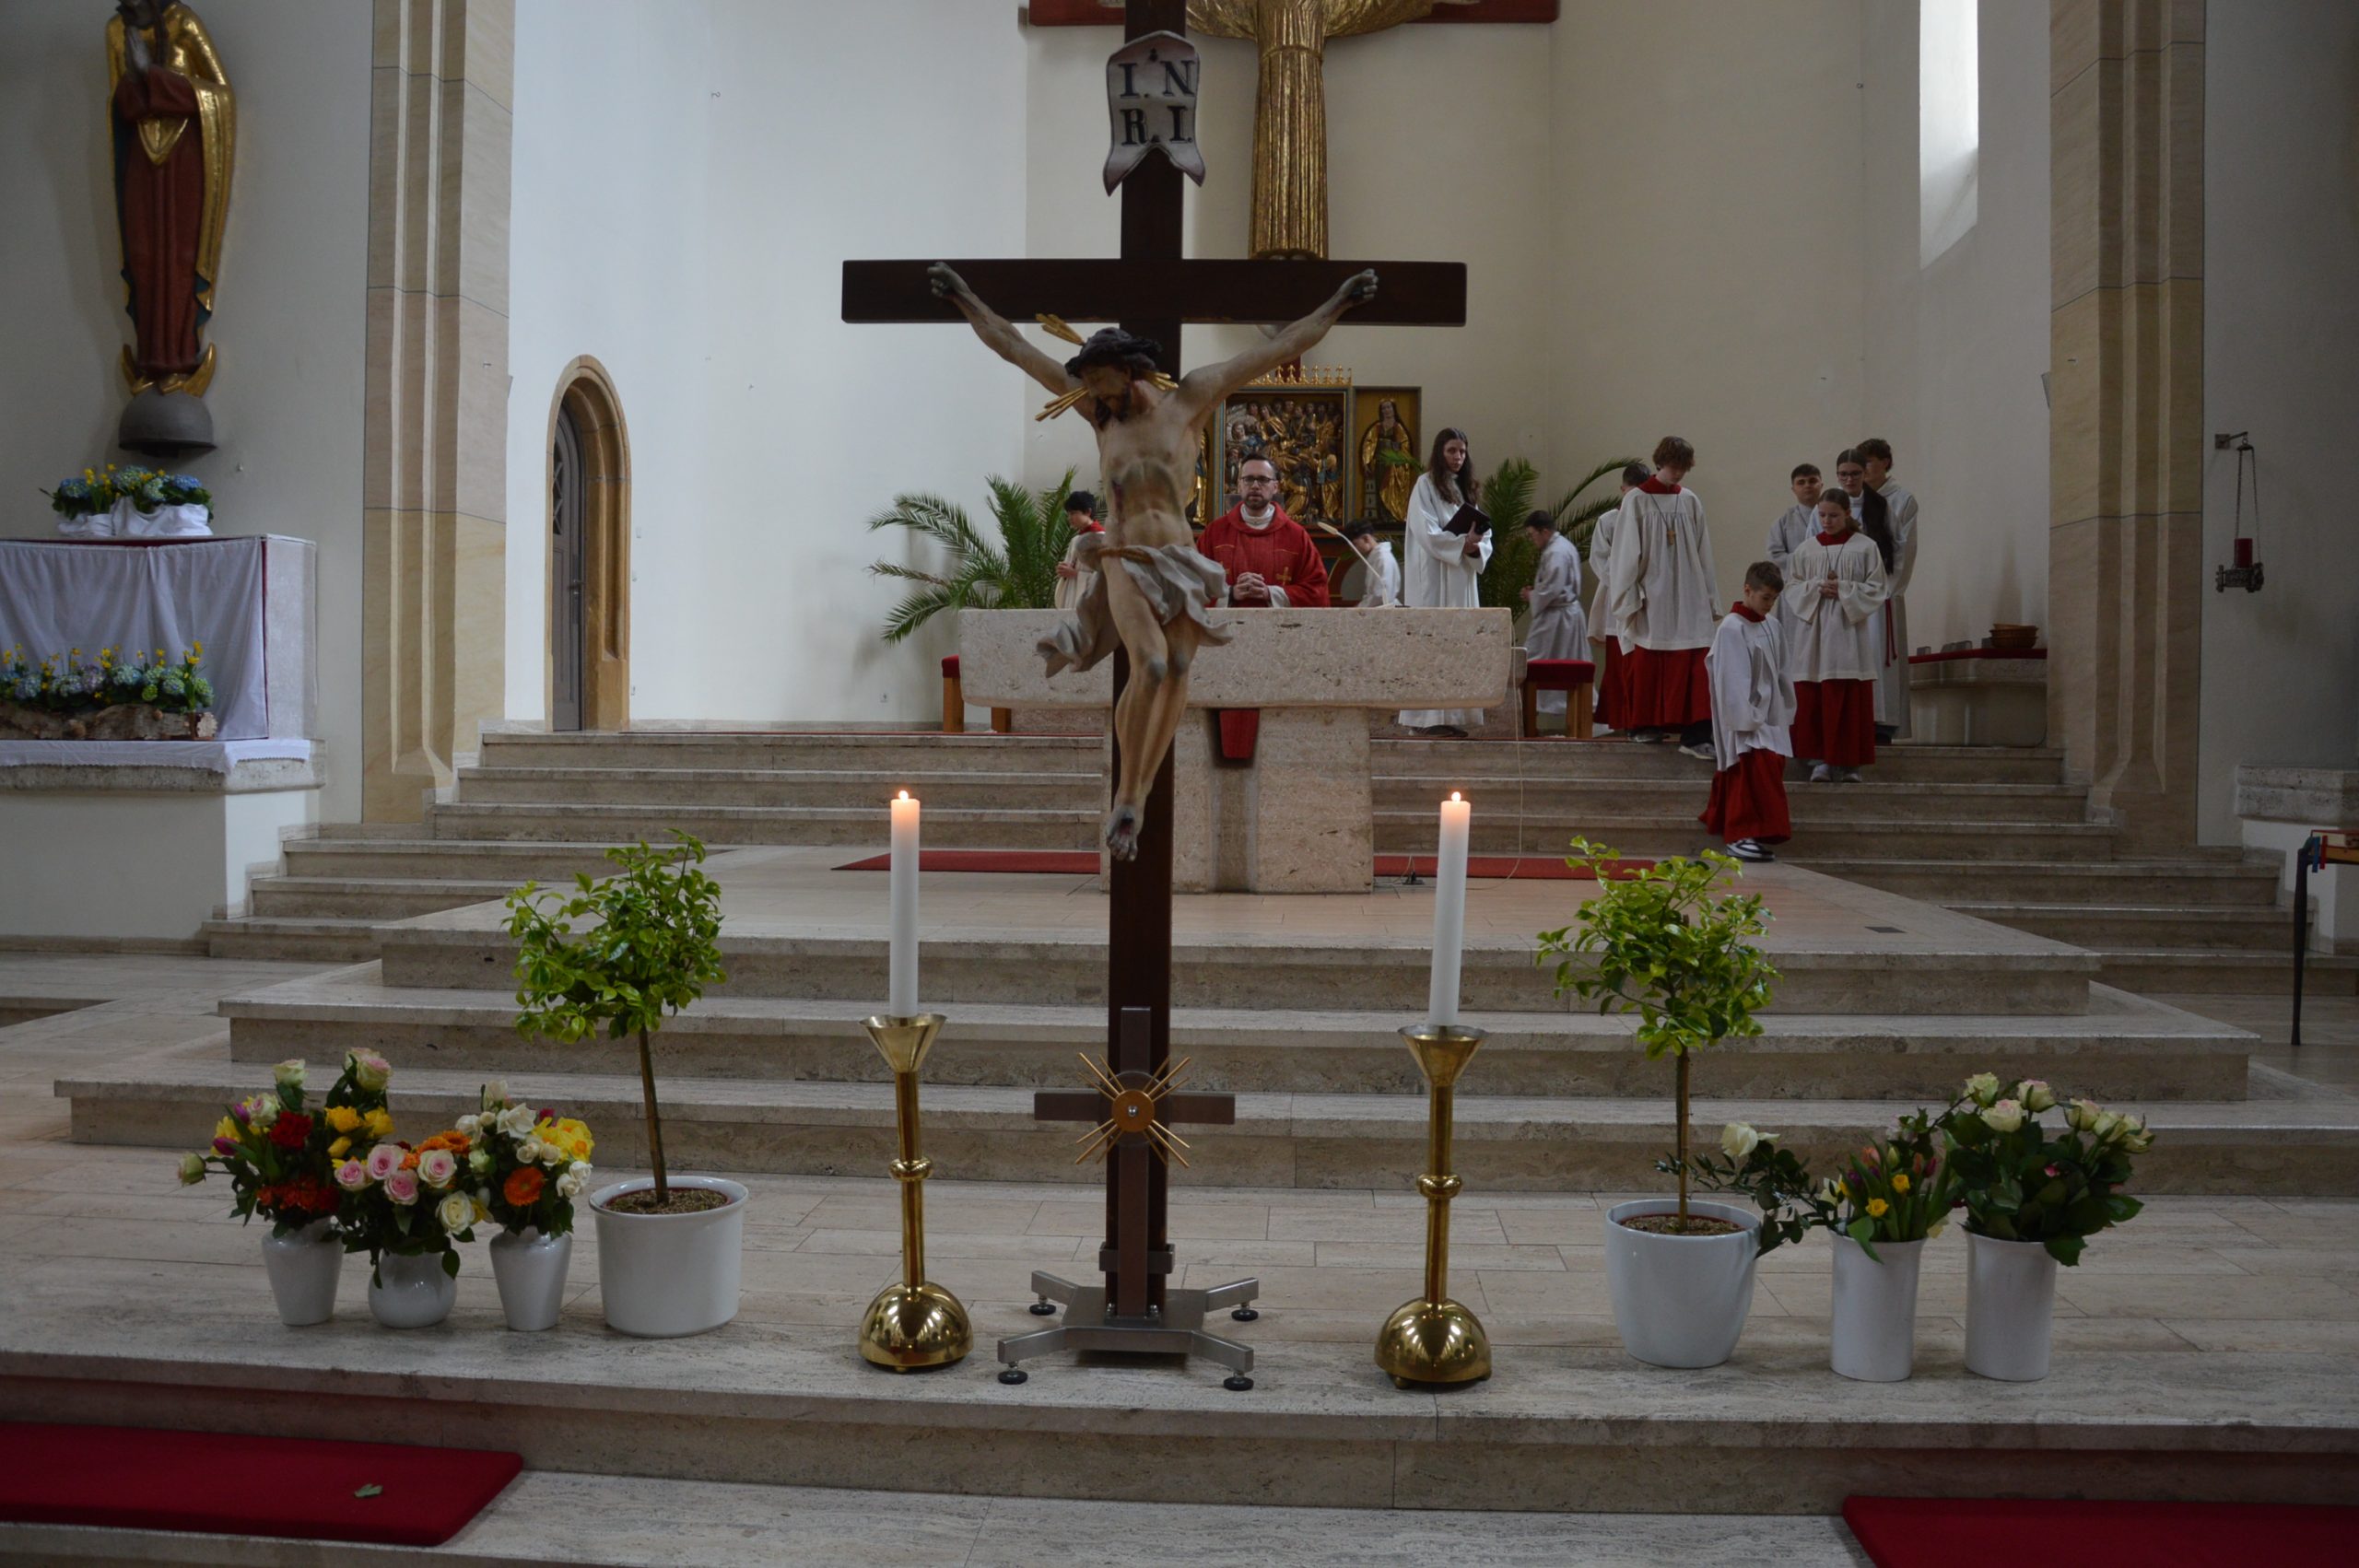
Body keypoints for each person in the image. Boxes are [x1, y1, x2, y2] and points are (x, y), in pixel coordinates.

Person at [929, 261, 1377, 859]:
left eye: (1101, 382)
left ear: (1128, 368)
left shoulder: (1190, 398)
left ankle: (1136, 793)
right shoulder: (1095, 413)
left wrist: (1338, 305)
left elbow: (1281, 348)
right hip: (1123, 556)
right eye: (1087, 385)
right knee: (1153, 666)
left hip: (1178, 561)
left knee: (1180, 673)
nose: (1092, 395)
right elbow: (1014, 347)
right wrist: (964, 298)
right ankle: (1128, 798)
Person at [1603, 436, 1719, 757]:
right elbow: (1625, 553)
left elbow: (1703, 551)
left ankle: (1695, 732)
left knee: (1695, 658)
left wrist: (1709, 596)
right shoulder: (1637, 500)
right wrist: (1628, 594)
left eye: (1683, 467)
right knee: (1649, 656)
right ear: (1660, 462)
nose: (1678, 473)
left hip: (1688, 592)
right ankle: (1645, 725)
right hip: (1652, 592)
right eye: (1673, 465)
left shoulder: (1690, 501)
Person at [1781, 488, 1888, 783]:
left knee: (1848, 695)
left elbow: (1878, 588)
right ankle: (1820, 761)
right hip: (1814, 633)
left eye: (1834, 516)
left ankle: (1849, 763)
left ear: (1847, 514)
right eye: (1823, 515)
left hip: (1848, 631)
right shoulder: (1806, 550)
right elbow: (1792, 588)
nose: (1827, 521)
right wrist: (1817, 587)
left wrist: (1842, 589)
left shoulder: (1865, 547)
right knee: (1815, 696)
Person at [1397, 427, 1492, 736]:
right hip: (1435, 579)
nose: (1458, 457)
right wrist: (1461, 543)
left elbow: (1483, 534)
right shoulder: (1425, 485)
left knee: (1458, 647)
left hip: (1461, 579)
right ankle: (1425, 720)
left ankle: (1453, 717)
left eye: (1462, 452)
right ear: (1440, 452)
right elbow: (1426, 532)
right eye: (1452, 451)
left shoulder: (1466, 489)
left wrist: (1476, 543)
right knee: (1432, 647)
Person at [1701, 562, 1797, 863]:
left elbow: (1783, 671)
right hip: (1744, 720)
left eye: (1773, 599)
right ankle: (1740, 836)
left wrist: (1784, 712)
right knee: (1748, 775)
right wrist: (1748, 718)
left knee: (1767, 775)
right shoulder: (1731, 628)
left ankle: (1755, 835)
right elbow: (1732, 679)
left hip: (1770, 718)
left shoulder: (1772, 626)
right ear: (1747, 590)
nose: (1768, 605)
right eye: (1765, 597)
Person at [1197, 455, 1331, 608]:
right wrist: (1231, 593)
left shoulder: (1296, 536)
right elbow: (1192, 585)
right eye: (1248, 479)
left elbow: (1317, 592)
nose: (1255, 485)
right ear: (1239, 485)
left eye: (1263, 479)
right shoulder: (1215, 533)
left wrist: (1270, 593)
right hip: (1224, 629)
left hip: (1282, 629)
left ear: (1275, 487)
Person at [1856, 437, 1919, 742]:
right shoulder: (1850, 500)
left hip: (1882, 595)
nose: (1864, 469)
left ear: (1885, 463)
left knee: (1882, 657)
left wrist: (1885, 591)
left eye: (1869, 462)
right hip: (1852, 597)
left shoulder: (1902, 500)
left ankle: (1883, 725)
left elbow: (1903, 551)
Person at [1588, 461, 1649, 735]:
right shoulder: (1608, 521)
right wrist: (1624, 579)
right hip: (1618, 599)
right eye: (1631, 492)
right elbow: (1599, 560)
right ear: (1623, 490)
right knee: (1618, 666)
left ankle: (1643, 720)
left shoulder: (1651, 518)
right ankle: (1620, 720)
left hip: (1648, 601)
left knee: (1642, 664)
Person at [1520, 509, 1587, 718]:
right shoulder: (1563, 546)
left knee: (1531, 663)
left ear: (1544, 531)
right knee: (1568, 664)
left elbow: (1553, 587)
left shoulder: (1556, 552)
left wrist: (1533, 596)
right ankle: (1572, 716)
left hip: (1557, 617)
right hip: (1566, 615)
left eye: (1532, 534)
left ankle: (1529, 717)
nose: (1532, 540)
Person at [1766, 463, 1823, 592]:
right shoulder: (1782, 523)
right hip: (1796, 589)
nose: (1807, 485)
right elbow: (1775, 557)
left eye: (1812, 481)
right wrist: (1810, 560)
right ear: (1793, 489)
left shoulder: (1835, 516)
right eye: (1801, 482)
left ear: (1821, 485)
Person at [1054, 489, 1104, 612]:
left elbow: (1106, 578)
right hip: (1071, 596)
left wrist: (1076, 574)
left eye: (1073, 513)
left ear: (1088, 512)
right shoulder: (1075, 540)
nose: (1069, 518)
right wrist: (1064, 570)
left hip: (1091, 603)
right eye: (1068, 514)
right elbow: (1071, 569)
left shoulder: (1103, 539)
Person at [1343, 520, 1400, 607]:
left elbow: (1380, 596)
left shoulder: (1383, 559)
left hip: (1383, 611)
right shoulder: (1376, 558)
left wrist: (1359, 609)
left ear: (1366, 538)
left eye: (1355, 544)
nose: (1352, 549)